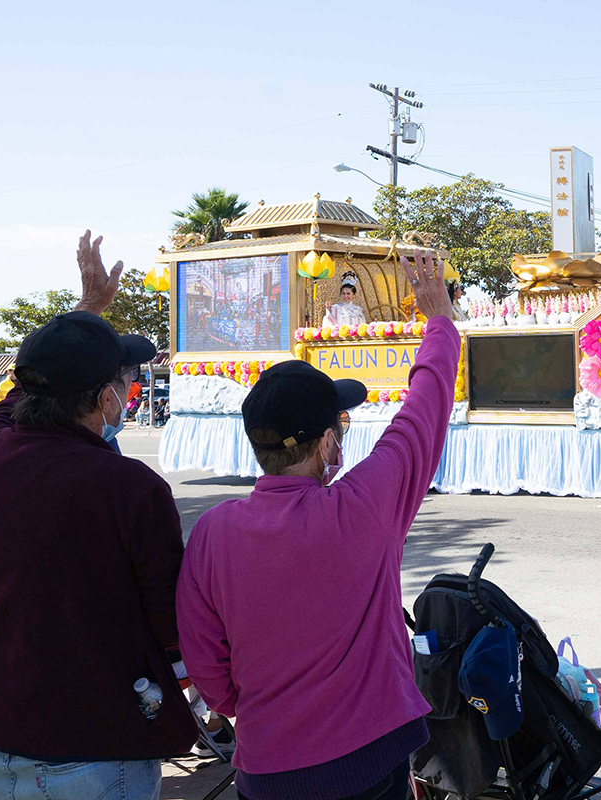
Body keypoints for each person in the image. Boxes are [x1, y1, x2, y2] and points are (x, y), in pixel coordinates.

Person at [177, 249, 458, 800]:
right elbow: (423, 412)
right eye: (341, 425)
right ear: (327, 443)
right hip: (369, 763)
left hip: (265, 768)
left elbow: (206, 662)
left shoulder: (213, 531)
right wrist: (440, 323)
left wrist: (260, 709)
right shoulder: (363, 507)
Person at [0, 231, 196, 799]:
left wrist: (86, 310)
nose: (127, 391)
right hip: (94, 744)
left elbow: (15, 395)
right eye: (124, 381)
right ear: (106, 398)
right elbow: (172, 625)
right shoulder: (131, 488)